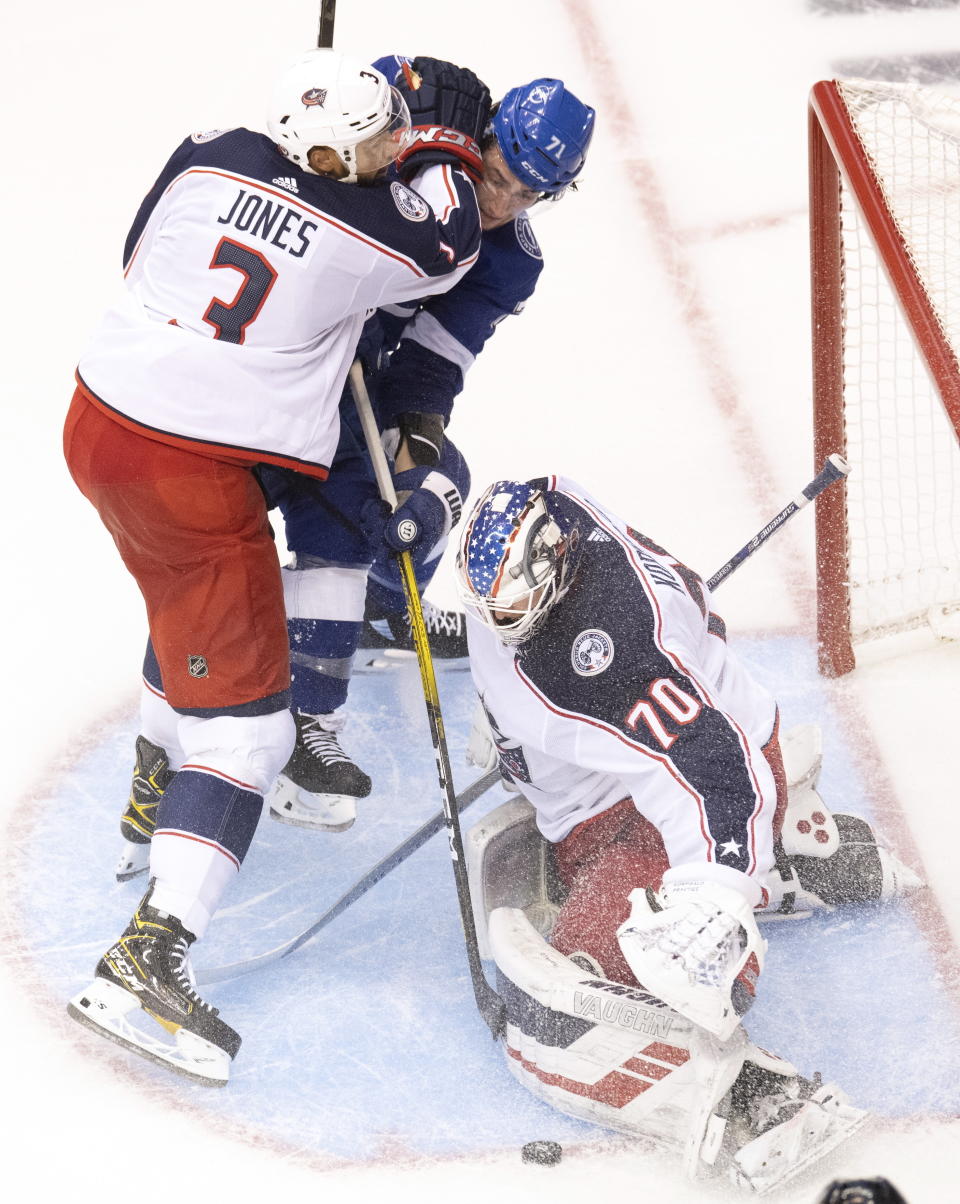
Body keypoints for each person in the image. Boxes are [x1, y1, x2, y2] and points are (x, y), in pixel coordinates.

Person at [63, 47, 492, 1084]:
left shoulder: (208, 153)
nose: (391, 147)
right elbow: (449, 238)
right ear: (340, 154)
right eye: (376, 139)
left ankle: (150, 784)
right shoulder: (358, 233)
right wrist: (432, 138)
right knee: (252, 725)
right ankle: (149, 955)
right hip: (191, 471)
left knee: (184, 610)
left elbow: (142, 251)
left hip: (98, 423)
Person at [113, 58, 598, 855]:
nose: (503, 202)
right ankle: (156, 761)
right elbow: (340, 110)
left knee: (420, 491)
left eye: (530, 194)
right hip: (260, 380)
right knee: (216, 561)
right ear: (485, 137)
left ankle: (349, 659)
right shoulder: (412, 144)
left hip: (348, 389)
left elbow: (437, 363)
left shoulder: (513, 260)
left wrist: (409, 440)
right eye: (502, 176)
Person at [455, 475, 921, 1191]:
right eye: (487, 603)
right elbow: (689, 591)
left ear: (550, 562)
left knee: (580, 1001)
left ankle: (751, 1095)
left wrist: (713, 893)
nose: (498, 616)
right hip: (617, 793)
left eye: (510, 602)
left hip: (670, 806)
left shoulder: (615, 654)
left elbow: (716, 772)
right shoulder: (559, 501)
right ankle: (784, 849)